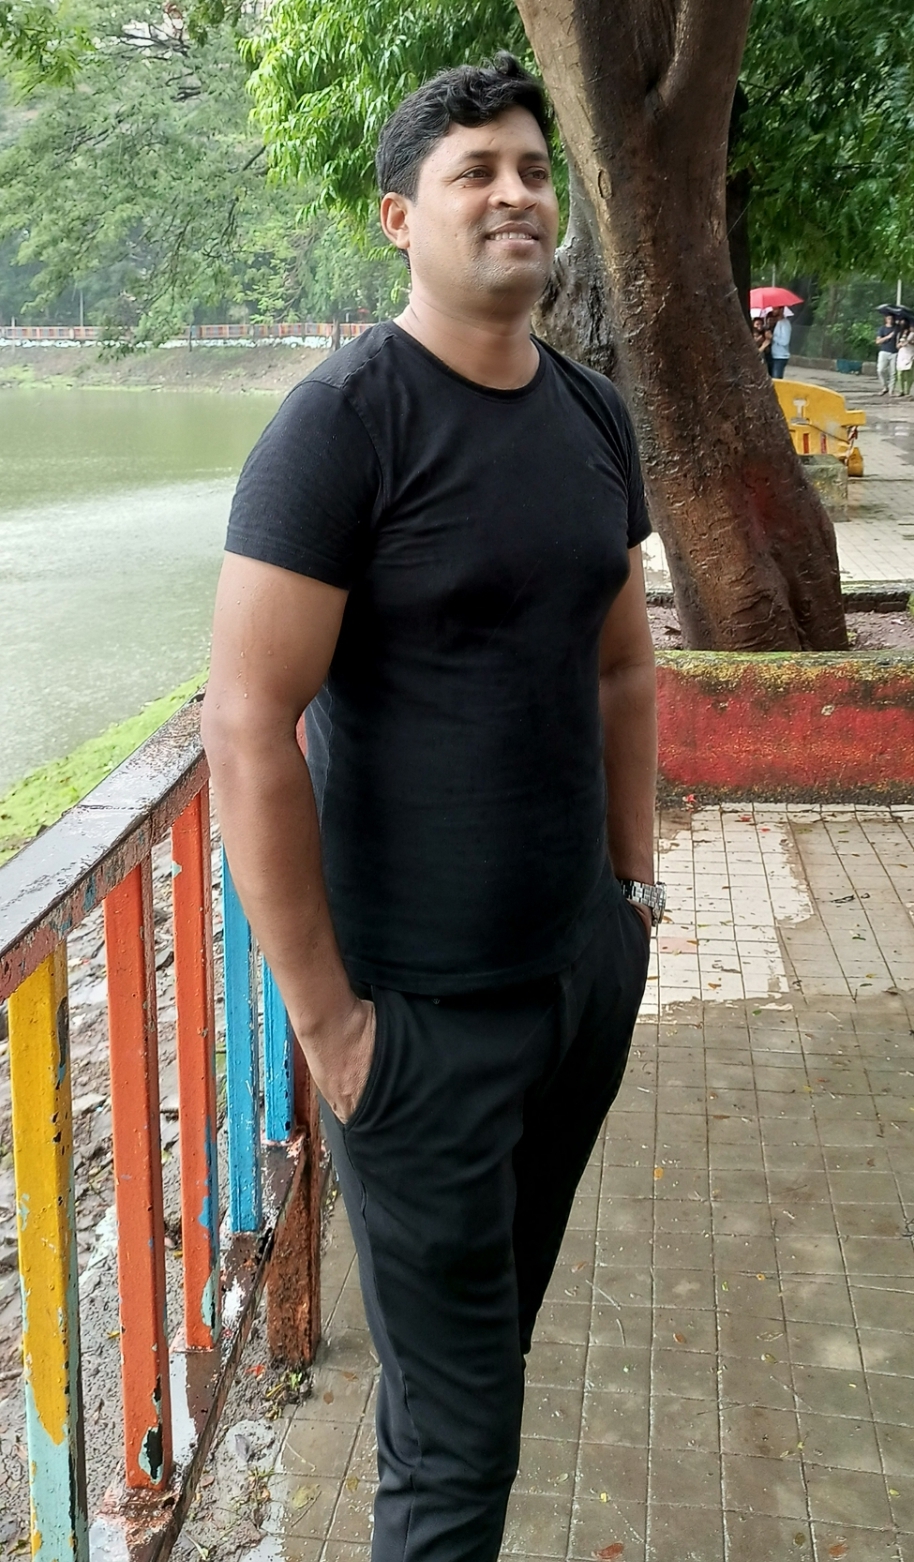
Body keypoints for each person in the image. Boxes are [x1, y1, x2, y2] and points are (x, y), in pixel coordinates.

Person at [202, 52, 662, 1562]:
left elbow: (620, 664)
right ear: (401, 217)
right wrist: (330, 1025)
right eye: (474, 173)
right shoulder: (343, 425)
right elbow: (246, 722)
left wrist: (631, 899)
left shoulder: (592, 415)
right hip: (416, 1027)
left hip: (577, 982)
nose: (513, 193)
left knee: (479, 1354)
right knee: (457, 1448)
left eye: (531, 167)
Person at [876, 312, 899, 394]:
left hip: (895, 352)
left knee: (893, 372)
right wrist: (888, 337)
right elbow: (878, 341)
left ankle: (891, 390)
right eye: (889, 318)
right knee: (880, 370)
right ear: (886, 319)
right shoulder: (882, 329)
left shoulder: (897, 328)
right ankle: (885, 386)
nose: (890, 320)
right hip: (884, 351)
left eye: (892, 319)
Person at [769, 304, 791, 378]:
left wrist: (772, 337)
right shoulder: (778, 322)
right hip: (774, 355)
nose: (773, 311)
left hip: (780, 356)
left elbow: (785, 341)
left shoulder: (785, 323)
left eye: (775, 309)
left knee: (776, 379)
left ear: (781, 310)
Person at [896, 324, 913, 397]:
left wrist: (909, 342)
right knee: (900, 373)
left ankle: (907, 391)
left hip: (910, 354)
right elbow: (897, 346)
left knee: (909, 374)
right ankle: (901, 390)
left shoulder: (912, 334)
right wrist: (900, 344)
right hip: (901, 355)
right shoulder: (899, 334)